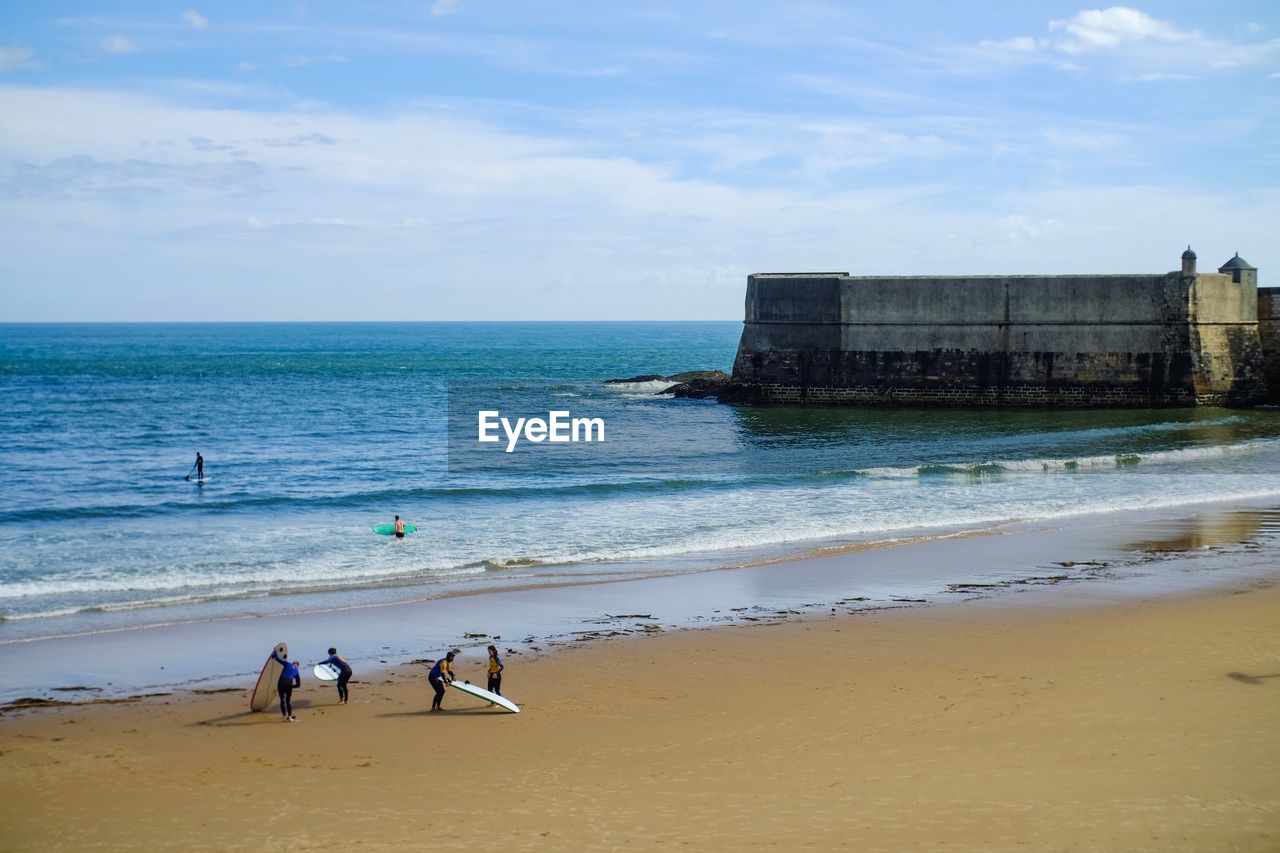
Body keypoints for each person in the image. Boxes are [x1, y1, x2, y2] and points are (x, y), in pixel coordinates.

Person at [272, 648, 301, 722]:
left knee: (282, 700)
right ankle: (290, 717)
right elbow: (298, 685)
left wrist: (275, 652)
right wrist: (291, 687)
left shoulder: (288, 663)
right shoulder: (297, 672)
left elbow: (278, 659)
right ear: (297, 666)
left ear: (293, 663)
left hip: (282, 681)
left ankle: (284, 717)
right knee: (288, 701)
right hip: (289, 682)